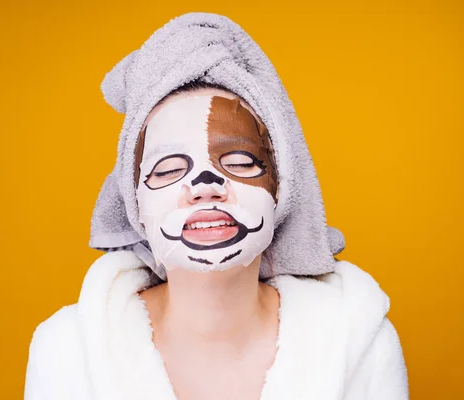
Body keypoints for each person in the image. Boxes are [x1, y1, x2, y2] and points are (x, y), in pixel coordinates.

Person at [24, 12, 409, 400]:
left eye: (240, 163)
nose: (205, 187)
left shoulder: (359, 342)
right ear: (135, 205)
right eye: (169, 169)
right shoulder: (65, 351)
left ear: (282, 190)